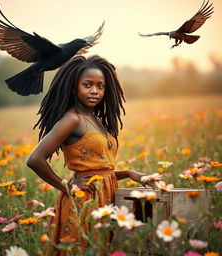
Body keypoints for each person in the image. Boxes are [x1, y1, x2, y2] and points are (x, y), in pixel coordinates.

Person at [26, 55, 157, 255]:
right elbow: (35, 159)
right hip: (83, 202)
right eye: (87, 85)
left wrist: (130, 173)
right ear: (73, 87)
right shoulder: (72, 119)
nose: (95, 91)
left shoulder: (96, 120)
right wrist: (68, 187)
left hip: (106, 200)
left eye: (100, 86)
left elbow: (101, 170)